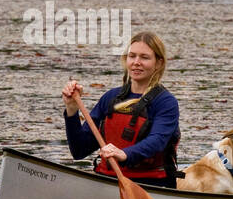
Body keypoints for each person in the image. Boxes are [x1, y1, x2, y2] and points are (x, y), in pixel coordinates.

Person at [62, 30, 180, 188]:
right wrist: (71, 111)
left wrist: (124, 154)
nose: (136, 62)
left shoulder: (166, 102)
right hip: (107, 181)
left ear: (158, 63)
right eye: (132, 56)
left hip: (151, 185)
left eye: (144, 57)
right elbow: (79, 150)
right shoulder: (110, 98)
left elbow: (157, 141)